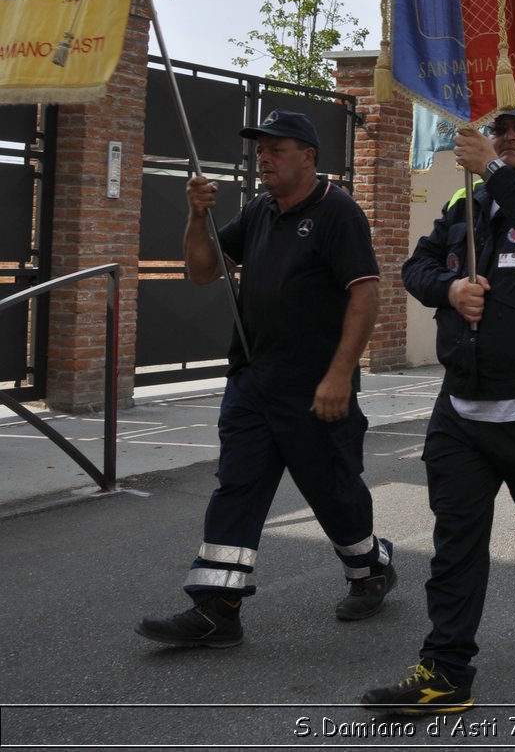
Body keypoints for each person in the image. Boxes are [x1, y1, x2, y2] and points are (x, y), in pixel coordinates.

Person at [363, 89, 515, 715]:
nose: (508, 137)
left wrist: (495, 173)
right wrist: (449, 289)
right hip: (463, 408)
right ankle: (445, 671)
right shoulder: (463, 200)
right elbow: (415, 266)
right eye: (500, 129)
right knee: (455, 547)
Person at [137, 111, 386, 650]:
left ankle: (371, 569)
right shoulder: (258, 211)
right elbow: (202, 270)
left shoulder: (337, 213)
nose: (263, 160)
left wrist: (340, 375)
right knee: (238, 486)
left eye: (276, 150)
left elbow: (365, 297)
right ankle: (216, 609)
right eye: (260, 151)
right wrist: (196, 215)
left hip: (315, 389)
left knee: (334, 494)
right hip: (253, 381)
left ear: (308, 156)